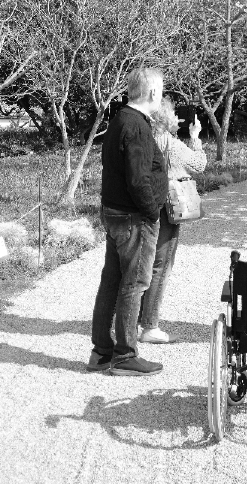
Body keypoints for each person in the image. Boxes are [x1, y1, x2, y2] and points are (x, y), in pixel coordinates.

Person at [88, 66, 167, 376]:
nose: (161, 96)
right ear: (151, 93)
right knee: (134, 283)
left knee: (112, 281)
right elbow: (137, 180)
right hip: (133, 218)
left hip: (116, 213)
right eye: (160, 91)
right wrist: (151, 212)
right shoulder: (134, 125)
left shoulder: (121, 119)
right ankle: (125, 354)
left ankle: (101, 352)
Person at [138, 98, 207, 343]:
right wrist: (195, 137)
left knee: (141, 263)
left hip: (143, 206)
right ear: (166, 118)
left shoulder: (142, 138)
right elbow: (199, 164)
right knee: (161, 265)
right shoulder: (172, 145)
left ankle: (135, 319)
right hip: (168, 209)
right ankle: (150, 325)